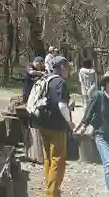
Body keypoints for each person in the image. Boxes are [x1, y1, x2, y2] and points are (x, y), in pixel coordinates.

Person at [75, 70, 109, 196]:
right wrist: (83, 126)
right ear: (106, 83)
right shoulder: (98, 96)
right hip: (102, 135)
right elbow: (89, 112)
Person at [37, 56, 74, 197]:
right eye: (68, 67)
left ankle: (52, 188)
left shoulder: (46, 79)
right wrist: (70, 122)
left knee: (48, 158)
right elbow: (61, 105)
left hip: (43, 124)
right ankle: (51, 193)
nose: (69, 71)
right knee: (58, 160)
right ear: (62, 67)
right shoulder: (60, 83)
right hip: (57, 127)